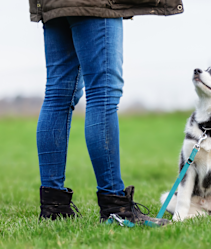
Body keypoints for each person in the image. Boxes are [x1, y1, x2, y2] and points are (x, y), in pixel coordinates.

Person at [29, 0, 184, 225]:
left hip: (53, 4)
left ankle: (54, 207)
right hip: (94, 4)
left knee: (58, 93)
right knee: (102, 93)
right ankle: (116, 208)